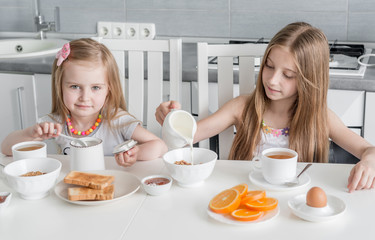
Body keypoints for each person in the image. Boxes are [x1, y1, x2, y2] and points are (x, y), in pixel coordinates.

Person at [155, 22, 375, 192]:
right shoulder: (242, 108)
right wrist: (172, 120)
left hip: (296, 205)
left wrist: (369, 162)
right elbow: (189, 136)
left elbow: (369, 150)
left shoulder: (320, 118)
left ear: (309, 81)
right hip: (246, 198)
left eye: (288, 75)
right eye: (269, 67)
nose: (272, 80)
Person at [1, 38, 167, 167]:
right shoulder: (56, 123)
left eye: (95, 87)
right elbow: (6, 149)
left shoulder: (117, 120)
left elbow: (159, 146)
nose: (85, 97)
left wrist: (137, 153)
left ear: (109, 89)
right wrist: (31, 134)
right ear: (60, 87)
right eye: (75, 86)